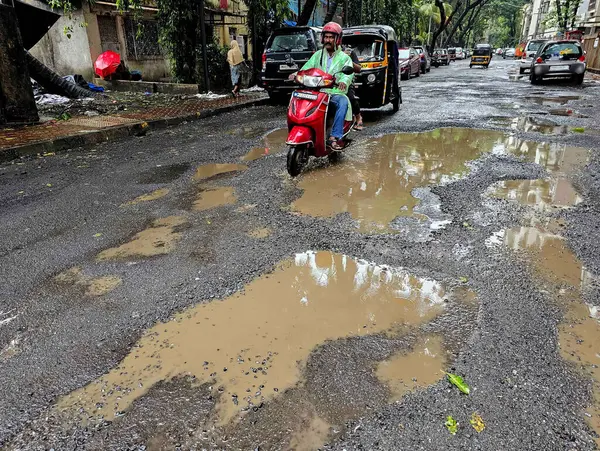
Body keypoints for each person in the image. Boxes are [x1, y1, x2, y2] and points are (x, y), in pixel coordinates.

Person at [289, 22, 354, 150]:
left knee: (342, 102)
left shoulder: (344, 58)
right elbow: (307, 68)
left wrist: (343, 82)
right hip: (317, 91)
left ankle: (334, 137)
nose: (328, 40)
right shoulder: (318, 55)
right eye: (326, 37)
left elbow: (348, 74)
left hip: (334, 92)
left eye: (331, 37)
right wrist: (296, 74)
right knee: (298, 97)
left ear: (338, 39)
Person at [344, 46, 363, 131]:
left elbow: (358, 68)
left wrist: (347, 59)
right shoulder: (323, 52)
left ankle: (358, 117)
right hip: (330, 79)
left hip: (346, 77)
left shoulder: (349, 51)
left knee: (350, 96)